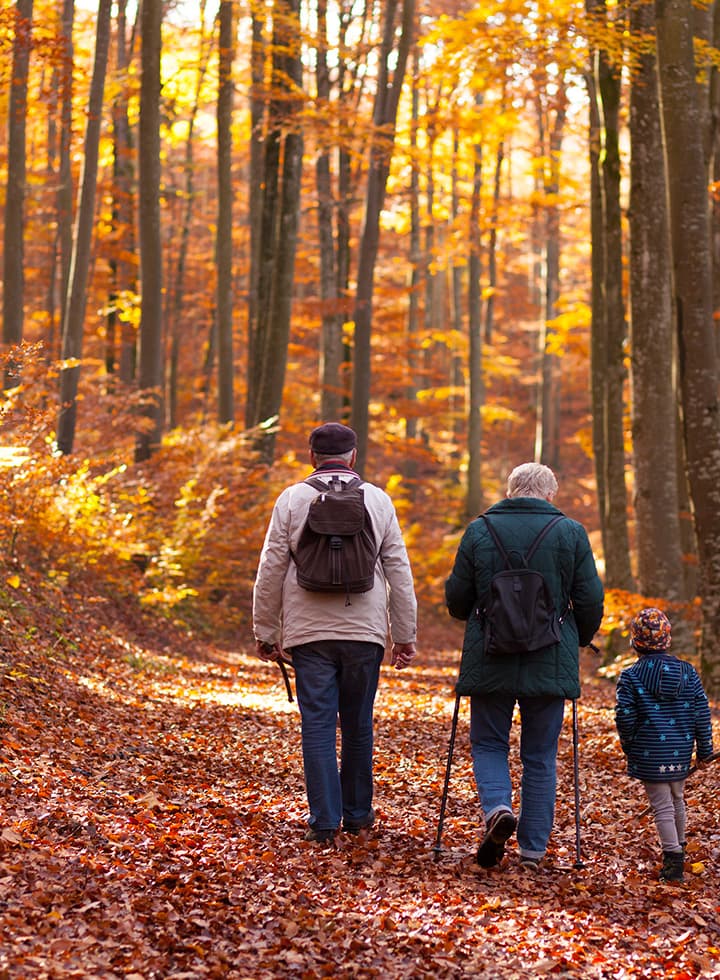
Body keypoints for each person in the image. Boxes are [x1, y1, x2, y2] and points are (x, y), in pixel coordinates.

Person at [252, 422, 417, 844]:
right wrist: (404, 632)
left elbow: (271, 567)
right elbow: (398, 568)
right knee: (359, 724)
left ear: (312, 457)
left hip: (309, 634)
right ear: (353, 457)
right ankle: (359, 815)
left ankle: (324, 822)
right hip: (364, 631)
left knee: (319, 726)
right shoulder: (378, 500)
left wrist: (266, 630)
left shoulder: (292, 499)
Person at [445, 462, 604, 871]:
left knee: (488, 743)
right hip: (550, 656)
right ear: (549, 495)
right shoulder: (570, 533)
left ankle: (497, 808)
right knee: (540, 755)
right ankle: (532, 851)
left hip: (490, 654)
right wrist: (579, 638)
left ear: (511, 490)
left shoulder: (480, 530)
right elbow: (589, 599)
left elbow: (457, 599)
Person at [615, 607, 714, 882]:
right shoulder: (688, 673)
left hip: (650, 751)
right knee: (677, 798)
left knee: (662, 805)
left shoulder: (631, 676)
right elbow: (701, 712)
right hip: (680, 751)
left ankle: (673, 862)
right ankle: (679, 846)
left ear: (636, 643)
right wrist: (704, 749)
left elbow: (625, 716)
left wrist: (630, 745)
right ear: (667, 640)